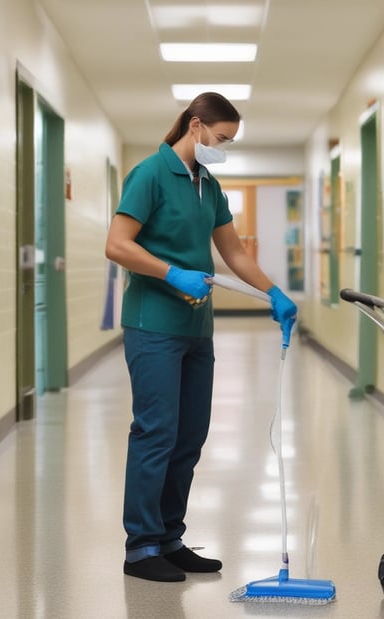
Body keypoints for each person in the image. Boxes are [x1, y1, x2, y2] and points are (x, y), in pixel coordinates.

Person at [105, 92, 298, 583]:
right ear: (195, 126)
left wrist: (275, 293)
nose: (224, 147)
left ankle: (169, 537)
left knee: (189, 436)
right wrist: (172, 273)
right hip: (153, 325)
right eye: (221, 137)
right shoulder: (150, 173)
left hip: (196, 329)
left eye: (230, 141)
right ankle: (141, 547)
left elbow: (234, 254)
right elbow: (117, 245)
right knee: (156, 432)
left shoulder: (208, 185)